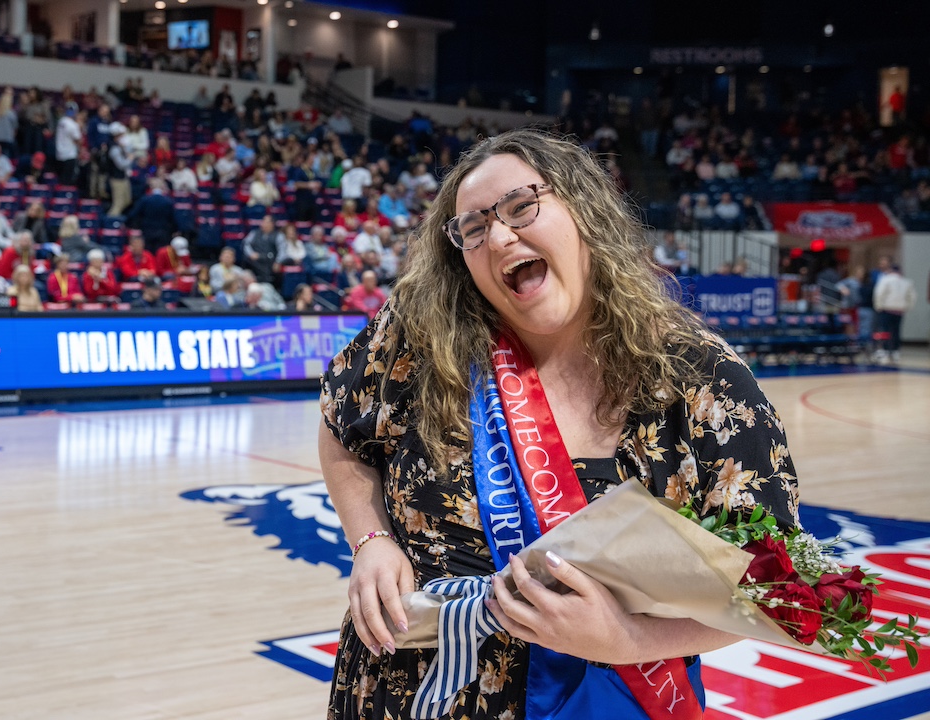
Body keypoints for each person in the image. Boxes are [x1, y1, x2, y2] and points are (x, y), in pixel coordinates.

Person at [320, 129, 800, 720]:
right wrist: (371, 540)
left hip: (611, 699)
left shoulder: (702, 380)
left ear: (584, 211)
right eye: (472, 228)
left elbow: (778, 595)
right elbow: (340, 429)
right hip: (405, 692)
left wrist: (628, 641)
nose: (498, 235)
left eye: (521, 206)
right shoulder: (421, 338)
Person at [873, 264, 916, 363]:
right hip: (899, 311)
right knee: (896, 331)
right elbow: (912, 297)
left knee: (885, 331)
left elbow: (879, 293)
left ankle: (885, 350)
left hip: (886, 309)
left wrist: (878, 306)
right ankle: (896, 351)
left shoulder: (885, 280)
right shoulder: (907, 282)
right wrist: (907, 307)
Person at [243, 214, 282, 284]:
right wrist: (251, 253)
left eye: (266, 222)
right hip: (255, 260)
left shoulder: (278, 235)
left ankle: (267, 281)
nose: (263, 224)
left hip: (270, 260)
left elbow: (282, 250)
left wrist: (278, 262)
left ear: (272, 224)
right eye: (262, 221)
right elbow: (246, 244)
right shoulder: (254, 233)